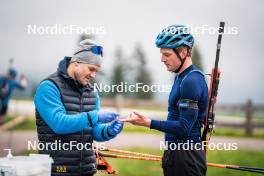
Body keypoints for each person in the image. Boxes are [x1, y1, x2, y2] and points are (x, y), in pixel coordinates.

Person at [122, 25, 208, 176]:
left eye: (167, 54)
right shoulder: (181, 77)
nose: (162, 59)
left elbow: (184, 127)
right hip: (176, 154)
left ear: (183, 52)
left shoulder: (191, 81)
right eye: (162, 54)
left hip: (186, 158)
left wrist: (147, 122)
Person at [34, 39, 124, 176]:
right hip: (57, 171)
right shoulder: (49, 87)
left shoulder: (92, 92)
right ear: (76, 63)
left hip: (87, 170)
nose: (93, 75)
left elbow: (93, 131)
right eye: (91, 69)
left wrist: (108, 131)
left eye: (97, 71)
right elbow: (59, 123)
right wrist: (96, 116)